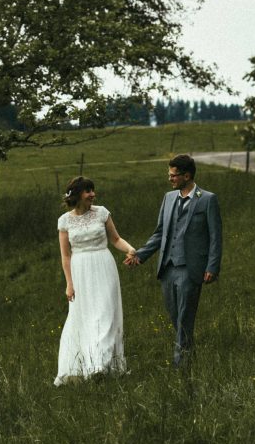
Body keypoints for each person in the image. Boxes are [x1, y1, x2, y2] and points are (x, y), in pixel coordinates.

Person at [125, 154, 222, 369]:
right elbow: (160, 233)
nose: (170, 179)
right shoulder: (168, 198)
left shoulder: (207, 199)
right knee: (175, 316)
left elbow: (216, 236)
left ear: (187, 175)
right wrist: (140, 254)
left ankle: (180, 366)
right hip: (168, 268)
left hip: (191, 268)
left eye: (173, 175)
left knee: (185, 317)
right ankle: (189, 356)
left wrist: (212, 266)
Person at [54, 176, 136, 386]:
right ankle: (88, 364)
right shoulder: (64, 221)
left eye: (93, 190)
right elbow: (66, 256)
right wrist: (69, 283)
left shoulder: (101, 212)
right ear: (77, 195)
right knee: (84, 317)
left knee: (105, 315)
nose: (93, 194)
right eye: (88, 191)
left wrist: (130, 249)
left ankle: (99, 365)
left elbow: (115, 239)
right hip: (80, 271)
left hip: (104, 266)